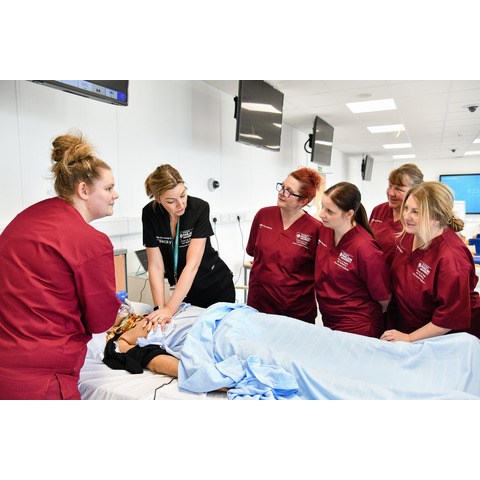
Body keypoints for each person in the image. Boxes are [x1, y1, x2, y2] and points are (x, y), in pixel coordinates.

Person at [0, 132, 121, 400]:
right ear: (84, 190)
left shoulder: (25, 219)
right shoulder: (90, 242)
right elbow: (101, 320)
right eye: (109, 188)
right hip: (42, 378)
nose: (116, 194)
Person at [381, 181, 480, 342]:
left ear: (436, 218)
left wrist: (409, 338)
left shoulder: (451, 258)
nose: (406, 216)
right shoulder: (410, 233)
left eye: (416, 212)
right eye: (406, 208)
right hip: (409, 322)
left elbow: (450, 316)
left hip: (444, 337)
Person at [141, 164, 234, 331]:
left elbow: (192, 265)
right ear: (157, 198)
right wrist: (159, 308)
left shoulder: (199, 209)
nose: (180, 204)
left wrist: (169, 309)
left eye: (183, 195)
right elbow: (155, 265)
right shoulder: (150, 214)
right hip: (184, 293)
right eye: (171, 201)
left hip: (215, 286)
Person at [246, 168, 323, 324]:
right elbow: (252, 251)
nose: (281, 192)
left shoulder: (316, 229)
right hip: (259, 303)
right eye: (282, 187)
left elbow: (320, 271)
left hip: (294, 310)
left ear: (303, 201)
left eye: (289, 191)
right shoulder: (263, 216)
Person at [315, 182, 391, 337]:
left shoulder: (365, 248)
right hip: (330, 319)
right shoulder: (326, 230)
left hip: (357, 326)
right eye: (322, 207)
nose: (321, 214)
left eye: (329, 211)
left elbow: (383, 297)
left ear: (349, 214)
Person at [369, 164, 424, 267]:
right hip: (375, 274)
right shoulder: (379, 210)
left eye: (399, 189)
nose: (391, 193)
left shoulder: (418, 219)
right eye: (390, 186)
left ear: (415, 191)